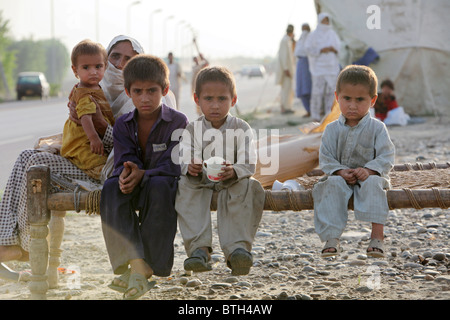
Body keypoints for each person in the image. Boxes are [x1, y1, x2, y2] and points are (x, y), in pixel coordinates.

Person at [0, 35, 153, 281]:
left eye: (129, 58)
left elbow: (135, 148)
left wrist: (101, 127)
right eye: (115, 56)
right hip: (84, 161)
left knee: (34, 164)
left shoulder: (141, 93)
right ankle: (8, 240)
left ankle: (23, 247)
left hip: (107, 171)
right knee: (26, 156)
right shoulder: (94, 88)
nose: (120, 63)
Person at [100, 54, 189, 300]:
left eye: (152, 91)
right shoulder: (123, 124)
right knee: (111, 188)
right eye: (137, 91)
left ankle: (148, 265)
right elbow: (123, 158)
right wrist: (126, 175)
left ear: (165, 89)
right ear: (128, 92)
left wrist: (144, 174)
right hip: (137, 183)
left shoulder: (178, 121)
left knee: (160, 185)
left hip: (162, 183)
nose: (145, 98)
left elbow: (174, 164)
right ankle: (137, 263)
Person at [175, 66, 265, 276]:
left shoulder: (241, 128)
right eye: (208, 99)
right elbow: (185, 153)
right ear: (197, 100)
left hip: (232, 181)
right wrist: (191, 165)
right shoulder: (192, 129)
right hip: (201, 181)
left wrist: (234, 170)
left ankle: (237, 250)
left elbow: (249, 160)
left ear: (233, 100)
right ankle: (199, 250)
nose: (215, 105)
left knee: (250, 185)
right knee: (184, 185)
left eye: (222, 99)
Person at [312, 65, 395, 259]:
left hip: (369, 177)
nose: (352, 105)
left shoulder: (378, 128)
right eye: (347, 99)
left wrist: (370, 170)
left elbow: (386, 156)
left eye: (360, 100)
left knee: (375, 185)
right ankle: (332, 239)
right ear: (337, 97)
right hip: (340, 177)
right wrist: (339, 171)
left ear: (372, 100)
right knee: (330, 185)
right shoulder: (331, 130)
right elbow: (326, 158)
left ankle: (377, 237)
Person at [61, 39, 115, 181]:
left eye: (98, 66)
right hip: (82, 142)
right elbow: (85, 117)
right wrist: (94, 138)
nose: (93, 72)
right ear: (75, 70)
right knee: (97, 164)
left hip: (89, 138)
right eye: (86, 67)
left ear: (105, 66)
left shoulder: (94, 87)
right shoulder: (85, 93)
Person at [305, 12, 341, 122]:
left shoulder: (333, 34)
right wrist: (321, 50)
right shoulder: (313, 35)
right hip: (318, 68)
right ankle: (315, 115)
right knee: (317, 92)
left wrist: (333, 49)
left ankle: (328, 115)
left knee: (331, 92)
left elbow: (339, 49)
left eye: (327, 20)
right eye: (324, 21)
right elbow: (308, 49)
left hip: (331, 67)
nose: (326, 23)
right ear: (320, 21)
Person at [275, 24, 296, 114]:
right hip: (286, 70)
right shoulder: (284, 41)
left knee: (288, 89)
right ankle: (285, 108)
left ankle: (287, 106)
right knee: (286, 89)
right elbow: (283, 56)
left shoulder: (288, 40)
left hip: (289, 69)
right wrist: (286, 69)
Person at [294, 23, 312, 117]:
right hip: (300, 63)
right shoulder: (300, 39)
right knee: (302, 87)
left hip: (308, 63)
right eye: (303, 29)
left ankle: (312, 110)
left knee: (308, 88)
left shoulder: (311, 38)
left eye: (306, 29)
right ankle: (308, 110)